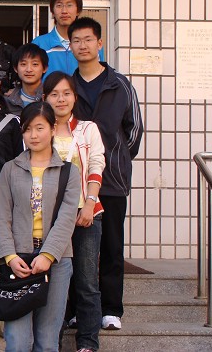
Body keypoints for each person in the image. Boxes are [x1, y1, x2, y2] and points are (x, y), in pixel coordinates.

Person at [68, 17, 143, 331]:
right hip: (73, 185)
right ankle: (76, 310)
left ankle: (112, 309)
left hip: (111, 182)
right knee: (75, 248)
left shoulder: (119, 84)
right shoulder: (68, 86)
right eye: (76, 40)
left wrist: (115, 158)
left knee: (111, 246)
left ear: (100, 43)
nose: (82, 45)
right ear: (70, 46)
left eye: (88, 39)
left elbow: (134, 131)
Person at [0, 101, 80, 352]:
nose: (33, 135)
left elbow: (67, 218)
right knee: (17, 340)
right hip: (18, 259)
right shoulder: (10, 169)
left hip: (57, 260)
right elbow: (2, 216)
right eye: (28, 129)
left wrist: (48, 254)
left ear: (53, 129)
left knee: (47, 339)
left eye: (40, 128)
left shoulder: (69, 171)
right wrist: (10, 256)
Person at [43, 71, 106, 352]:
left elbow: (96, 165)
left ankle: (88, 342)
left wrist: (90, 204)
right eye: (54, 94)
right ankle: (50, 343)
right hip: (50, 217)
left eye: (66, 93)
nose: (61, 99)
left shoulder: (87, 129)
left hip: (85, 214)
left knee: (86, 281)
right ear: (45, 98)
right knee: (53, 283)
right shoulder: (38, 129)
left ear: (75, 97)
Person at [32, 0, 103, 78]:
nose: (64, 11)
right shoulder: (39, 43)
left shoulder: (93, 43)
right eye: (59, 5)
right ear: (52, 12)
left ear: (78, 11)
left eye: (69, 5)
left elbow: (100, 76)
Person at [5, 44, 48, 115]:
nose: (29, 69)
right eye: (23, 64)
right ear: (15, 68)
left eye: (35, 64)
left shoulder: (50, 97)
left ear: (45, 68)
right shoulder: (7, 101)